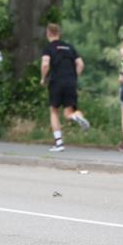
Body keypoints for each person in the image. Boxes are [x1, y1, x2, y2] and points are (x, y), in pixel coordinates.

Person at [40, 23, 90, 153]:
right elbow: (80, 64)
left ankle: (59, 143)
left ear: (48, 33)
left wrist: (43, 78)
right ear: (59, 33)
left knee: (54, 110)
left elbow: (45, 64)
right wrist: (74, 76)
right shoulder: (69, 47)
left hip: (56, 82)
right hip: (70, 81)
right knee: (69, 112)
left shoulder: (48, 48)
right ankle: (76, 117)